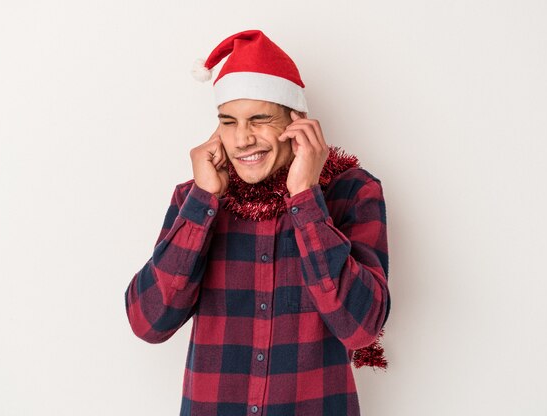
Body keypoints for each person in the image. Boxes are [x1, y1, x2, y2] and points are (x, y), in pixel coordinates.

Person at [124, 29, 391, 416]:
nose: (243, 139)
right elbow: (149, 322)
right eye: (228, 122)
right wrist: (204, 202)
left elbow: (361, 326)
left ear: (297, 123)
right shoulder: (196, 198)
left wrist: (305, 197)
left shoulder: (353, 192)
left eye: (260, 119)